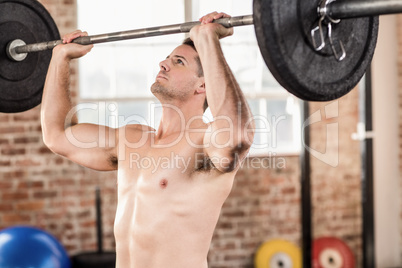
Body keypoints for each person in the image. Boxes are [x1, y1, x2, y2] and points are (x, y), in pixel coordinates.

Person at [41, 11, 255, 268]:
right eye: (166, 59)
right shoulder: (132, 139)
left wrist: (208, 40)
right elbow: (57, 135)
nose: (163, 64)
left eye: (178, 62)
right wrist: (60, 58)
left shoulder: (204, 143)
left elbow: (238, 135)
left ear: (202, 86)